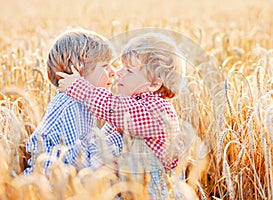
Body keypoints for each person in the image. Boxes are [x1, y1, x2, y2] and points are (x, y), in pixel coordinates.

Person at [57, 33, 185, 199]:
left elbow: (112, 107)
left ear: (154, 85)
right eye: (121, 66)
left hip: (152, 192)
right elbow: (105, 141)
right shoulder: (133, 104)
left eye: (129, 71)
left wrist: (78, 87)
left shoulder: (157, 111)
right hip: (134, 186)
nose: (118, 73)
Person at [24, 29, 118, 175]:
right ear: (76, 71)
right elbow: (78, 163)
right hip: (52, 186)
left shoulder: (82, 103)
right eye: (105, 66)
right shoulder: (70, 105)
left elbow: (90, 146)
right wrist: (117, 141)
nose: (114, 72)